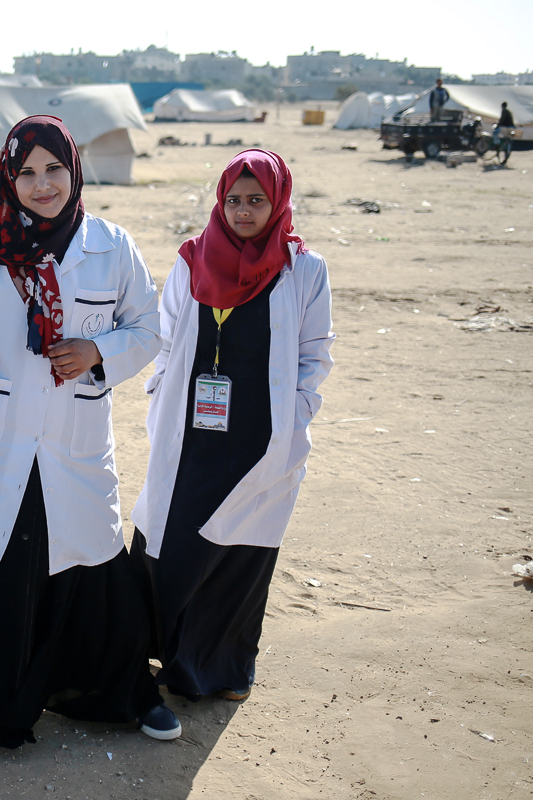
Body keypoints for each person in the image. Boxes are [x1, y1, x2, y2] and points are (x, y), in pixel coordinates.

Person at [0, 115, 181, 749]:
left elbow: (150, 330)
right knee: (5, 570)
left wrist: (96, 351)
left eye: (54, 170)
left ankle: (121, 691)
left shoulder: (111, 246)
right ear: (9, 178)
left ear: (74, 170)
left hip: (75, 442)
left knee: (91, 565)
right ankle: (3, 700)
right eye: (27, 172)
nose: (42, 185)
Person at [130, 149, 334, 704]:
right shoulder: (192, 260)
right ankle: (157, 651)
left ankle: (217, 670)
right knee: (174, 539)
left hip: (260, 435)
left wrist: (296, 417)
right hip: (189, 430)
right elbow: (166, 338)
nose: (244, 212)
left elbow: (315, 354)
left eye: (256, 201)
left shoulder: (304, 270)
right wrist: (158, 394)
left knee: (239, 551)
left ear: (278, 203)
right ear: (220, 203)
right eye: (234, 200)